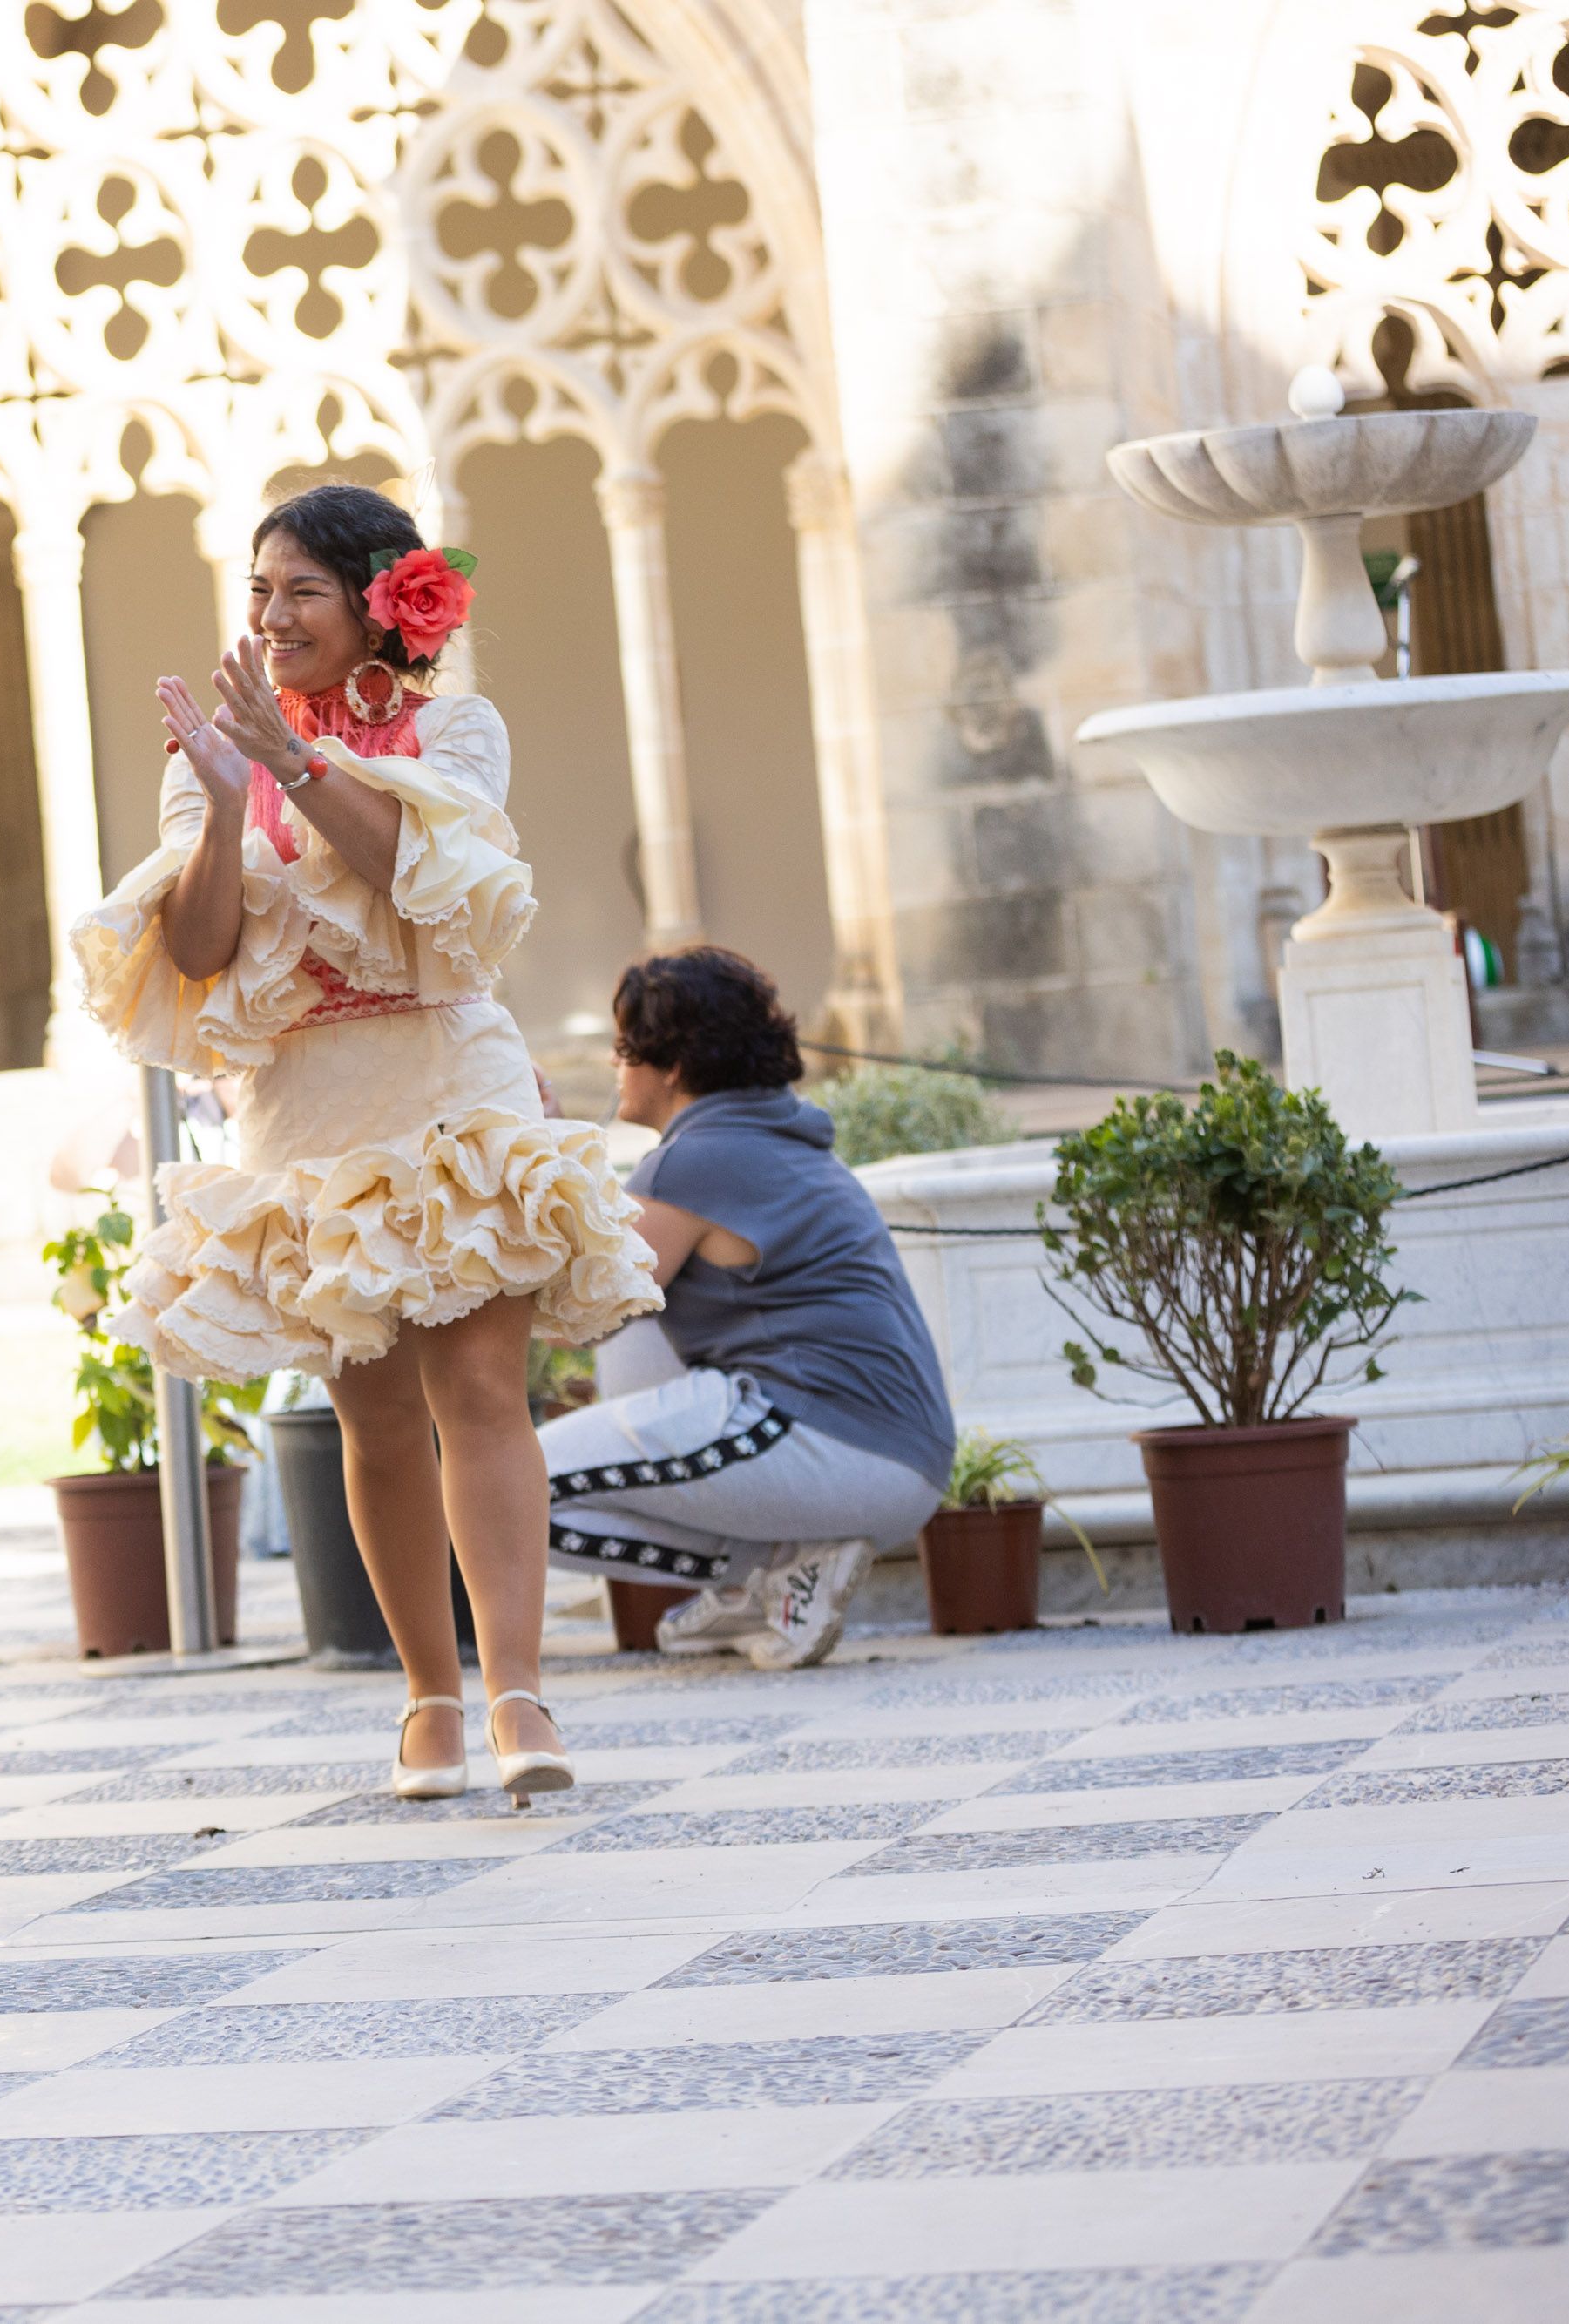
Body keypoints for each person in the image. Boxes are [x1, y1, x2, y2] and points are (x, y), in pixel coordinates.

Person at [71, 482, 659, 1801]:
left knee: (481, 1392)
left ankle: (520, 1693)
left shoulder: (457, 728)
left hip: (452, 1075)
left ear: (376, 601)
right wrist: (223, 801)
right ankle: (426, 1702)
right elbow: (206, 948)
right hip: (305, 1105)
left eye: (301, 593)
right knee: (376, 1418)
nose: (271, 618)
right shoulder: (203, 756)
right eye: (259, 594)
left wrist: (290, 761)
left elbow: (415, 877)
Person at [536, 947, 957, 1670]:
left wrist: (536, 1149)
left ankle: (756, 1579)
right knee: (635, 1326)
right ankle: (770, 1579)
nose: (614, 1065)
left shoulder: (696, 1160)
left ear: (670, 1063)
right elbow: (615, 1290)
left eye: (624, 1048)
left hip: (831, 1439)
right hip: (893, 1456)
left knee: (506, 1491)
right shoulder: (771, 1139)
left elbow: (584, 1308)